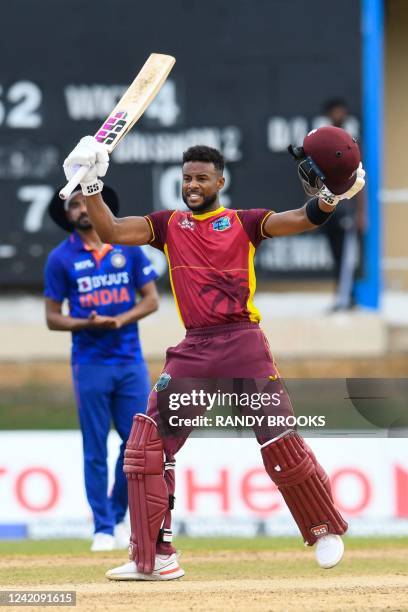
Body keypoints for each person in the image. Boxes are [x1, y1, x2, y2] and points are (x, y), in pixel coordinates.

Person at [61, 127, 365, 579]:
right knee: (147, 446)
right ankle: (155, 557)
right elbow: (108, 229)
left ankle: (323, 529)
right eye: (187, 178)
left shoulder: (245, 222)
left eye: (201, 179)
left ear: (219, 183)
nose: (192, 186)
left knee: (279, 438)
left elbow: (302, 218)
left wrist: (330, 199)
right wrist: (91, 186)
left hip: (243, 343)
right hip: (194, 350)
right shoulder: (167, 225)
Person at [44, 185, 159, 551]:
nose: (80, 209)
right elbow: (51, 318)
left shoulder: (127, 247)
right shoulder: (60, 259)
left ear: (102, 206)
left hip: (129, 361)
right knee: (95, 447)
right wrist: (85, 323)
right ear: (66, 215)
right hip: (89, 362)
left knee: (135, 446)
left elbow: (152, 300)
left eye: (85, 202)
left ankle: (119, 514)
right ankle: (102, 527)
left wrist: (120, 318)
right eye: (73, 205)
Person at [320, 98, 366, 310]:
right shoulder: (321, 145)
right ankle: (344, 296)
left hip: (347, 208)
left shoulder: (351, 145)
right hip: (329, 209)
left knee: (348, 256)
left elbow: (361, 178)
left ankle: (346, 299)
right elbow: (316, 179)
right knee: (337, 256)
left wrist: (361, 213)